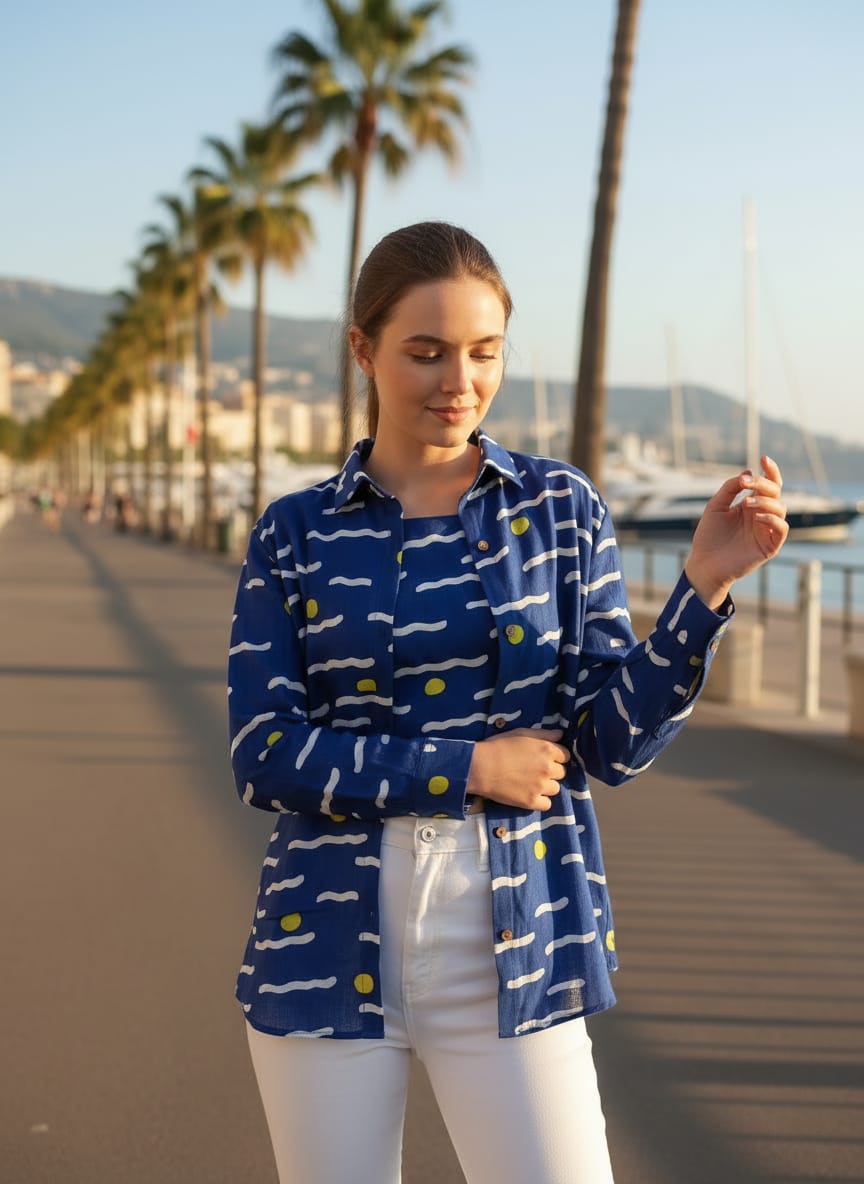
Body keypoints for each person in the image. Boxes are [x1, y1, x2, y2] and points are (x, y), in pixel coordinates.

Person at [227, 221, 788, 1184]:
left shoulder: (559, 509)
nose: (459, 380)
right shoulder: (295, 534)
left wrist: (702, 590)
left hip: (521, 937)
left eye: (484, 353)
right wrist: (468, 768)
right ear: (363, 350)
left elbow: (608, 743)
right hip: (322, 946)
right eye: (426, 352)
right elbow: (265, 751)